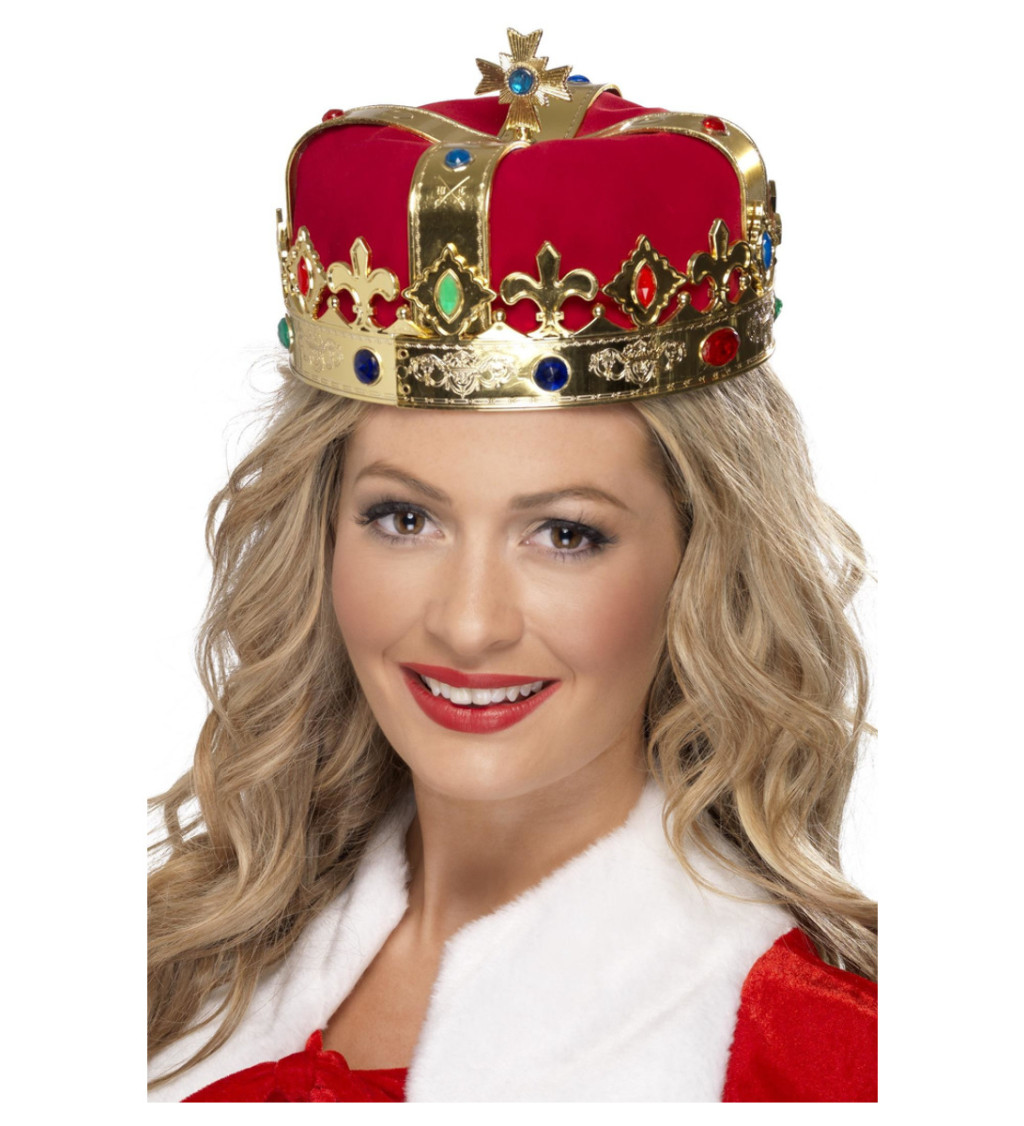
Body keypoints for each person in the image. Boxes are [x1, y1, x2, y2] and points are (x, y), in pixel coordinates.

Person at [147, 29, 877, 1102]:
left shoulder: (813, 1058)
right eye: (404, 518)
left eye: (565, 534)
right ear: (322, 533)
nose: (469, 623)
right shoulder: (167, 965)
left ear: (700, 564)